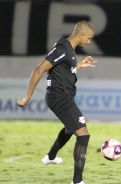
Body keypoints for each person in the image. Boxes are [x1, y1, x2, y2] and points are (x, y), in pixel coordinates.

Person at [17, 20, 96, 184]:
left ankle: (50, 157)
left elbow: (63, 68)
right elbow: (39, 69)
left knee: (70, 128)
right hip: (59, 97)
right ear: (81, 34)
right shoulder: (63, 48)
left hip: (63, 96)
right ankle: (77, 181)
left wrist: (78, 65)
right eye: (88, 38)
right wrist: (27, 97)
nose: (89, 42)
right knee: (83, 135)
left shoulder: (69, 49)